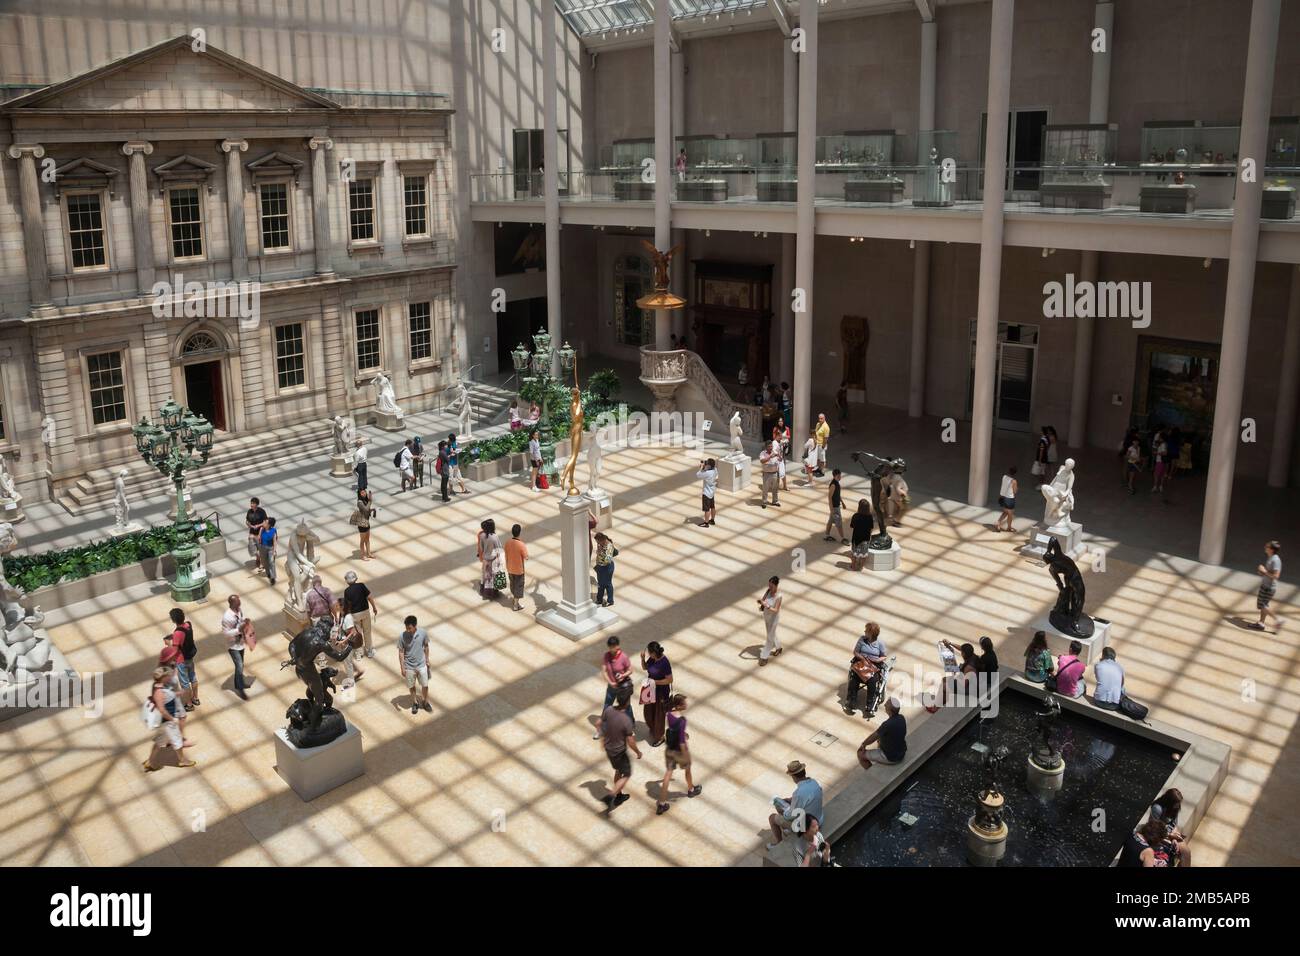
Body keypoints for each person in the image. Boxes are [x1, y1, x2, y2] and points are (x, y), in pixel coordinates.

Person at [142, 665, 195, 772]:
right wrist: (172, 719)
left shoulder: (159, 686)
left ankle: (150, 762)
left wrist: (177, 693)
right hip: (167, 721)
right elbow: (162, 709)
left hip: (164, 722)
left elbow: (167, 695)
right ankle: (182, 760)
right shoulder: (159, 692)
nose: (170, 677)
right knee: (177, 741)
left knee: (160, 742)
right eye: (168, 676)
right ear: (163, 678)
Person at [596, 687, 641, 812]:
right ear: (627, 702)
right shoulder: (626, 721)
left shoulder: (608, 710)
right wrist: (638, 752)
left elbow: (598, 723)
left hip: (609, 750)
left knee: (618, 771)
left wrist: (602, 739)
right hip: (619, 752)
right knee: (626, 774)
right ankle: (610, 796)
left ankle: (619, 796)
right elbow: (630, 741)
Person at [656, 694, 701, 814]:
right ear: (679, 705)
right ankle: (691, 789)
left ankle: (662, 803)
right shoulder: (682, 721)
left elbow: (673, 729)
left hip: (669, 749)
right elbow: (681, 741)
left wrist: (683, 733)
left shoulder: (669, 714)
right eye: (684, 703)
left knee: (668, 774)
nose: (686, 705)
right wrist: (685, 753)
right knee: (687, 769)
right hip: (679, 751)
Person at [766, 760, 823, 851]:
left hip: (806, 828)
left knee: (772, 817)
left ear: (793, 776)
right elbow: (807, 799)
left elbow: (790, 815)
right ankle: (788, 830)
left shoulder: (799, 793)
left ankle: (778, 843)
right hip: (818, 819)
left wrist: (783, 811)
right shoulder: (815, 782)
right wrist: (790, 800)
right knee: (787, 805)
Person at [594, 635, 634, 739]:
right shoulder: (606, 656)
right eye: (610, 647)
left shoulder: (623, 657)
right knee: (607, 706)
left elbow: (630, 670)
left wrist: (623, 675)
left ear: (617, 646)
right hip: (611, 687)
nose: (611, 649)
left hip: (622, 688)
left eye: (613, 647)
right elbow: (604, 670)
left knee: (627, 707)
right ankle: (601, 729)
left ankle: (631, 726)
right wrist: (610, 682)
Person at [844, 621, 887, 717]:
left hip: (873, 665)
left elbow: (884, 656)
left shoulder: (880, 644)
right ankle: (852, 701)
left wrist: (876, 660)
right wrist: (862, 658)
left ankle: (870, 704)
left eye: (866, 631)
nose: (864, 632)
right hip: (861, 663)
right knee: (854, 677)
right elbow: (855, 652)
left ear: (871, 633)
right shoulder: (862, 639)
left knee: (873, 680)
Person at [220, 594, 254, 701]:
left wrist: (245, 622)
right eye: (237, 601)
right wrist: (239, 629)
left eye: (239, 601)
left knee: (241, 665)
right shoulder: (227, 617)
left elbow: (241, 620)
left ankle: (239, 683)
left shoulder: (239, 610)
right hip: (233, 645)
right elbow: (226, 633)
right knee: (239, 665)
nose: (239, 603)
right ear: (232, 603)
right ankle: (240, 689)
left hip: (241, 643)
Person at [326, 598, 365, 689]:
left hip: (348, 644)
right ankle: (359, 671)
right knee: (348, 660)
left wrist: (343, 642)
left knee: (347, 663)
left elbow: (352, 632)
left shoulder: (348, 618)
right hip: (345, 643)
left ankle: (351, 683)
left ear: (342, 606)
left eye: (337, 605)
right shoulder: (343, 615)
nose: (336, 606)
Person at [639, 641, 673, 746]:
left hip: (661, 692)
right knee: (648, 711)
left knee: (659, 714)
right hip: (650, 688)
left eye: (649, 653)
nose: (649, 654)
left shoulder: (664, 663)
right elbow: (645, 668)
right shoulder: (653, 659)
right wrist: (642, 658)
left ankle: (660, 737)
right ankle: (653, 728)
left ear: (654, 652)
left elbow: (670, 680)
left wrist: (655, 682)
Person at [397, 614, 432, 714]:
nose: (408, 630)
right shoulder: (402, 636)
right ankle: (415, 703)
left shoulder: (423, 633)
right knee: (411, 686)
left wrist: (427, 660)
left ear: (415, 626)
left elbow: (426, 646)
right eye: (406, 628)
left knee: (425, 685)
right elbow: (400, 652)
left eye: (409, 628)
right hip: (409, 666)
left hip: (421, 665)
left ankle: (425, 702)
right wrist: (402, 667)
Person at [857, 697, 906, 767]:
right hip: (901, 752)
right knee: (879, 739)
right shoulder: (901, 718)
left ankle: (870, 772)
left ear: (890, 710)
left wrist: (863, 744)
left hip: (891, 757)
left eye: (886, 704)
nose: (884, 705)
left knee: (860, 754)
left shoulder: (887, 724)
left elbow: (873, 737)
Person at [1148, 788, 1192, 866]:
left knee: (1186, 852)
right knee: (1171, 853)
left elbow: (1174, 824)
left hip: (1171, 834)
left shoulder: (1175, 808)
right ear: (1169, 802)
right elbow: (1154, 829)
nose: (1178, 805)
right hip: (1158, 835)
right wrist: (1170, 836)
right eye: (1176, 803)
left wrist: (1174, 838)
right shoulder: (1157, 808)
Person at [168, 607, 199, 711]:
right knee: (193, 678)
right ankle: (195, 698)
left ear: (173, 620)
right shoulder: (188, 625)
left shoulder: (177, 633)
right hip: (190, 657)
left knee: (184, 683)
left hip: (182, 660)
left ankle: (189, 705)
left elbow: (175, 649)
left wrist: (169, 644)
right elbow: (184, 637)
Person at [342, 570, 378, 658]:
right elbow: (369, 597)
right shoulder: (361, 585)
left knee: (357, 633)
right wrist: (374, 607)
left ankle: (359, 654)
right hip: (365, 612)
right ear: (356, 578)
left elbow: (348, 605)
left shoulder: (346, 591)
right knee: (367, 632)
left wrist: (347, 615)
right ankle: (369, 651)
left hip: (355, 615)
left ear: (347, 581)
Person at [1251, 540, 1282, 630]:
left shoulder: (1275, 560)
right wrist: (1263, 572)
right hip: (1266, 585)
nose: (1265, 547)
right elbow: (1270, 573)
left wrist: (1264, 571)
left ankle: (1278, 620)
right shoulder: (1271, 557)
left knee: (1262, 605)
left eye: (1267, 546)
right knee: (1263, 605)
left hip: (1269, 587)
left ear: (1271, 550)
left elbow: (1276, 576)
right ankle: (1261, 623)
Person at [758, 575, 783, 666]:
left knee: (769, 638)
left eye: (771, 586)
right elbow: (763, 599)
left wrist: (767, 606)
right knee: (771, 634)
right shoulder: (768, 590)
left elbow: (776, 610)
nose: (770, 587)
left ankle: (764, 657)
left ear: (776, 586)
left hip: (773, 618)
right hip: (766, 616)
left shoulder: (779, 596)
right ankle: (779, 648)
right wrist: (761, 604)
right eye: (769, 585)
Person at [504, 523, 529, 611]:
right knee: (519, 586)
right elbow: (526, 557)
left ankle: (516, 601)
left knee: (513, 585)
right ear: (519, 533)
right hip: (519, 570)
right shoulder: (521, 545)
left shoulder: (507, 542)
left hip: (509, 568)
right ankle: (515, 605)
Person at [477, 519, 504, 598]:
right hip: (493, 560)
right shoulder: (495, 537)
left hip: (485, 560)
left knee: (486, 576)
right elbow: (499, 549)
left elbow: (481, 548)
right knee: (493, 577)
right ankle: (493, 594)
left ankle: (485, 592)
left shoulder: (481, 536)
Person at [1092, 646, 1124, 710]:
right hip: (1114, 705)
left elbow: (1098, 678)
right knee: (1123, 689)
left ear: (1103, 655)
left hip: (1098, 701)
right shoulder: (1120, 667)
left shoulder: (1098, 665)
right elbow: (1122, 684)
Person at [849, 498, 874, 571]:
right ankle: (860, 567)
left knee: (854, 553)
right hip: (865, 539)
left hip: (856, 538)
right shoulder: (870, 517)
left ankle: (853, 566)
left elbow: (851, 526)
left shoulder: (855, 516)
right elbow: (871, 528)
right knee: (864, 554)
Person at [824, 468, 847, 544]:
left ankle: (827, 535)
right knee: (839, 523)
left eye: (840, 475)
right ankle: (843, 538)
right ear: (835, 476)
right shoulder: (833, 485)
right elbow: (829, 497)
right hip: (835, 507)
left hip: (836, 506)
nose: (840, 477)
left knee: (830, 521)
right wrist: (831, 509)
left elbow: (837, 495)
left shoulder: (837, 483)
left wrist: (842, 503)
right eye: (839, 476)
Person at [593, 531, 617, 607]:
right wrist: (599, 551)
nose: (598, 544)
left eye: (598, 542)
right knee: (600, 584)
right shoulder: (601, 544)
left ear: (602, 540)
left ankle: (610, 601)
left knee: (607, 584)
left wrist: (600, 552)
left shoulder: (609, 546)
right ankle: (599, 599)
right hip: (600, 567)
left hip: (607, 567)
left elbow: (608, 560)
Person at [245, 497, 267, 572]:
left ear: (257, 504)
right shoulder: (249, 511)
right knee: (252, 547)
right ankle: (258, 557)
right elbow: (247, 521)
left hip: (261, 530)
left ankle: (260, 561)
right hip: (252, 531)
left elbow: (265, 522)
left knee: (260, 546)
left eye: (253, 503)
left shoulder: (261, 511)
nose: (251, 504)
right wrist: (250, 525)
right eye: (251, 503)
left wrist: (258, 525)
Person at [354, 488, 376, 560]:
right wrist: (370, 501)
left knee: (367, 539)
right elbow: (365, 509)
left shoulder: (365, 500)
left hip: (366, 521)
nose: (364, 493)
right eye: (362, 493)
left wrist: (371, 509)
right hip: (362, 523)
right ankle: (363, 556)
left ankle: (369, 553)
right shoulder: (359, 502)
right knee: (362, 540)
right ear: (359, 494)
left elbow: (367, 510)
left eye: (364, 492)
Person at [995, 466, 1018, 532]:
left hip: (1002, 498)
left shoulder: (1004, 477)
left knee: (1005, 512)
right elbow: (1015, 491)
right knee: (1010, 515)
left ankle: (998, 523)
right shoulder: (1014, 481)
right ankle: (1009, 528)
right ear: (1015, 473)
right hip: (1010, 499)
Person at [697, 458, 718, 527]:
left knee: (707, 509)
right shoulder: (715, 470)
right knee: (712, 507)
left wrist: (701, 468)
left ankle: (706, 523)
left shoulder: (707, 473)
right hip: (712, 492)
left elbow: (698, 475)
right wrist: (705, 468)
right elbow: (708, 470)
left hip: (706, 493)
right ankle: (712, 520)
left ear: (709, 466)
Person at [759, 442, 781, 508]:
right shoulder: (762, 453)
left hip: (775, 473)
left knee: (775, 489)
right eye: (769, 446)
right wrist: (770, 456)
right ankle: (764, 502)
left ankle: (775, 501)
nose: (771, 448)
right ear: (766, 447)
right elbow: (762, 461)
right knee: (765, 489)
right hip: (767, 473)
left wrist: (779, 457)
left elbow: (780, 460)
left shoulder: (775, 452)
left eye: (771, 446)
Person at [258, 517, 278, 585]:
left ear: (269, 524)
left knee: (271, 562)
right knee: (264, 562)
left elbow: (274, 541)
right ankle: (268, 572)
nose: (264, 523)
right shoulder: (262, 529)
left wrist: (274, 551)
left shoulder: (273, 530)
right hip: (262, 547)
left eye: (265, 522)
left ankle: (273, 577)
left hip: (270, 548)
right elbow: (259, 539)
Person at [1150, 428, 1169, 494]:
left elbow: (1165, 453)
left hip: (1160, 461)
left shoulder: (1163, 444)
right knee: (1162, 474)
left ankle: (1155, 486)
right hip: (1163, 461)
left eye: (1160, 437)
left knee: (1156, 474)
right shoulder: (1164, 444)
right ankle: (1161, 486)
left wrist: (1156, 453)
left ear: (1162, 438)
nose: (1159, 437)